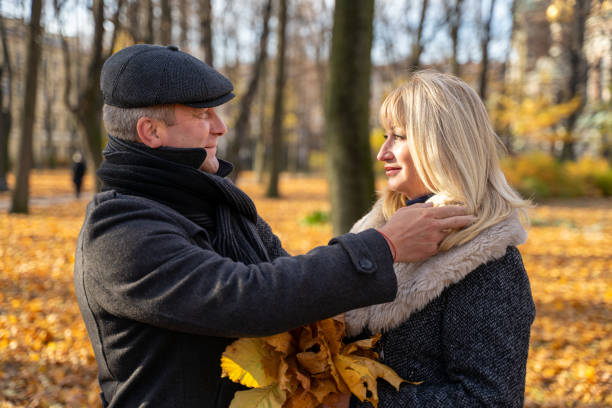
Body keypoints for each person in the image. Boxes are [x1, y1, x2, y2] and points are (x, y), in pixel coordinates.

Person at [74, 45, 475, 408]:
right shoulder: (119, 231)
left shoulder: (219, 206)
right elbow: (247, 299)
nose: (221, 127)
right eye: (202, 115)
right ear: (152, 132)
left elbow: (293, 292)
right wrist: (384, 246)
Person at [345, 71, 536, 407]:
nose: (382, 153)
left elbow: (490, 400)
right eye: (385, 136)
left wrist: (359, 403)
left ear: (443, 145)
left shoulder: (487, 261)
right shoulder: (369, 234)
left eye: (399, 137)